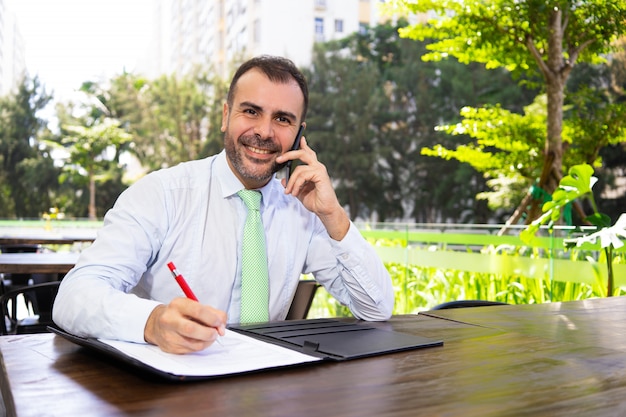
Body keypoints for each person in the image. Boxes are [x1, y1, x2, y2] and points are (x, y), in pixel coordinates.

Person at [52, 55, 394, 354]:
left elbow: (376, 309)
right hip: (173, 388)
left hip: (264, 386)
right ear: (226, 115)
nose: (264, 132)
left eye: (282, 119)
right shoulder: (162, 194)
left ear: (298, 134)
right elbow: (73, 297)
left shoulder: (301, 208)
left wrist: (333, 216)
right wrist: (152, 322)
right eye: (251, 111)